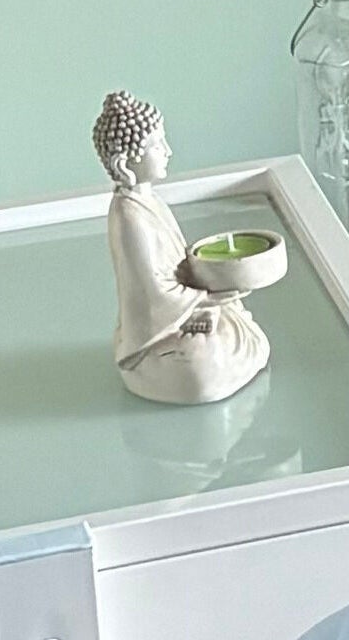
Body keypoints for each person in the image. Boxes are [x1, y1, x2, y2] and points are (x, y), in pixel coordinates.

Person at [98, 91, 269, 405]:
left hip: (184, 308)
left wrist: (212, 279)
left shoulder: (149, 201)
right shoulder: (128, 216)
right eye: (157, 145)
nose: (168, 151)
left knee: (241, 327)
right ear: (126, 163)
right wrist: (208, 297)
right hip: (156, 330)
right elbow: (151, 293)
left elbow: (176, 263)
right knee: (199, 370)